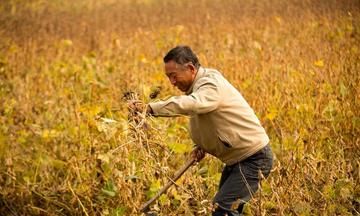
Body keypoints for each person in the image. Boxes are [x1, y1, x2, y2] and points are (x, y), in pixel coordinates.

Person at [132, 45, 273, 215]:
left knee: (221, 210)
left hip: (253, 158)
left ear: (191, 68)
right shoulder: (198, 88)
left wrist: (150, 109)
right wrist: (202, 146)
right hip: (237, 160)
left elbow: (194, 104)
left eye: (173, 76)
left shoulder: (210, 84)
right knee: (225, 210)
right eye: (169, 77)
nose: (172, 82)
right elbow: (208, 120)